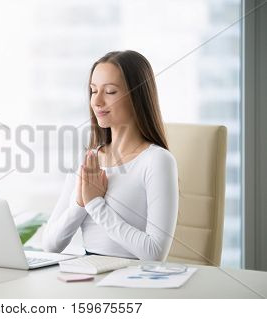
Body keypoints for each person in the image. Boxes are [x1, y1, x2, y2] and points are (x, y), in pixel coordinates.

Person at [42, 50, 179, 261]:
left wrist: (95, 205)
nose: (96, 101)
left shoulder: (157, 161)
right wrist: (80, 203)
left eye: (110, 92)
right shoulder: (87, 160)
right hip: (88, 278)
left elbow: (155, 253)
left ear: (137, 96)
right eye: (93, 90)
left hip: (131, 283)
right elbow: (51, 245)